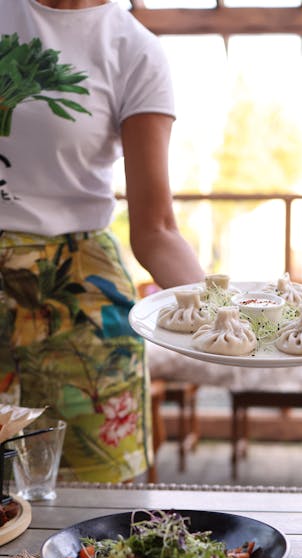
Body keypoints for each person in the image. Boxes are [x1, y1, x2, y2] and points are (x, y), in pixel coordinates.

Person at [0, 0, 205, 483]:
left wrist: (226, 313)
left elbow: (157, 230)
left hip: (80, 302)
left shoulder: (134, 49)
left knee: (92, 507)